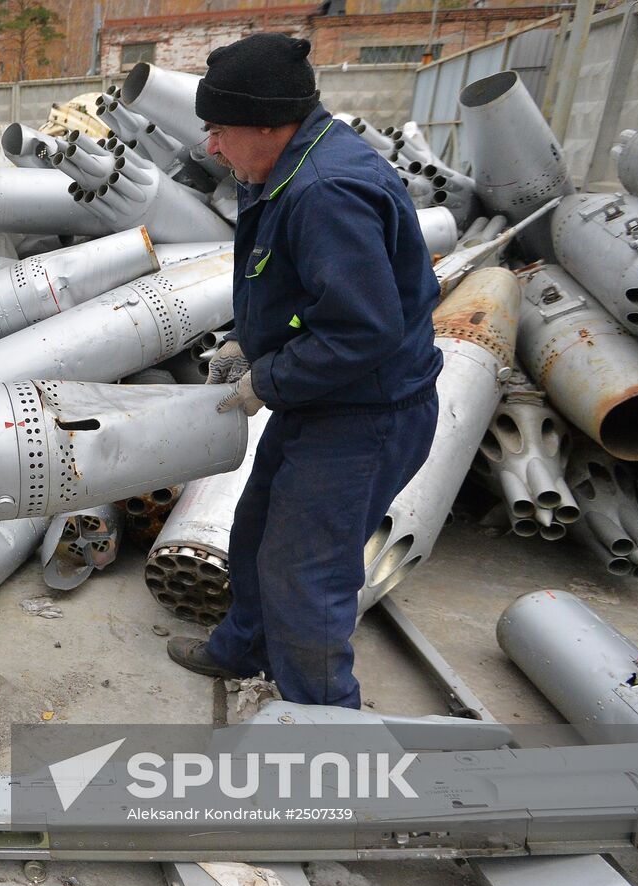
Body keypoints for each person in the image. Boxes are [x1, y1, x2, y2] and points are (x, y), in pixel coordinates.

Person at [164, 34, 443, 708]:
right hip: (325, 399)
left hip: (365, 416)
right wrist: (247, 344)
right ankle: (243, 648)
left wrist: (268, 380)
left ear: (267, 123)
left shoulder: (326, 191)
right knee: (257, 531)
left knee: (305, 574)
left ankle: (322, 727)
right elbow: (295, 289)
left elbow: (362, 329)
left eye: (219, 129)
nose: (211, 146)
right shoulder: (285, 168)